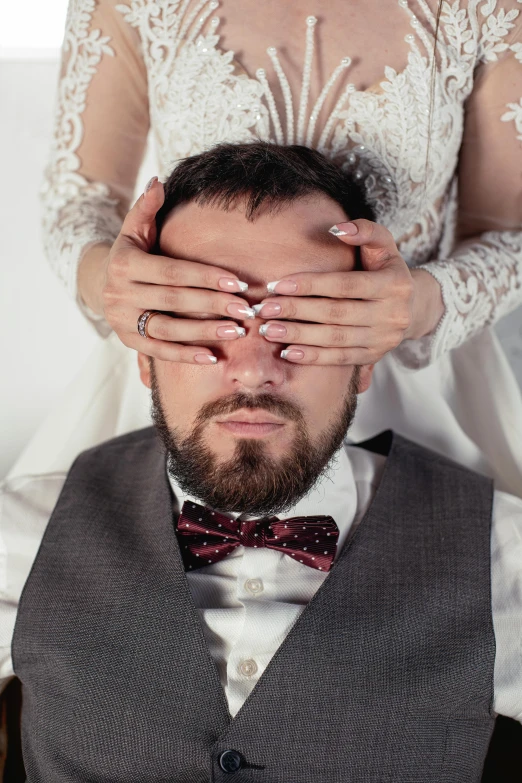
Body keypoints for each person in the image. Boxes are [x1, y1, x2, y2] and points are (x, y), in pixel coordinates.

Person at [2, 143, 521, 781]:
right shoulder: (22, 533)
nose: (253, 370)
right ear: (142, 352)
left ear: (364, 357)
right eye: (205, 322)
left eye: (300, 325)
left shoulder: (500, 552)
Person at [9, 0, 522, 497]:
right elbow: (79, 199)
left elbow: (508, 231)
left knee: (466, 566)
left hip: (407, 375)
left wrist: (416, 307)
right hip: (196, 364)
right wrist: (110, 283)